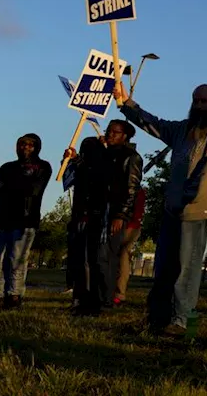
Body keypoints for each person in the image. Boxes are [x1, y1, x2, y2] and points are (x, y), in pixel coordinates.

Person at [115, 82, 207, 335]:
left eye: (204, 101)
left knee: (187, 268)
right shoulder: (184, 129)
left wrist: (190, 199)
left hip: (196, 209)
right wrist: (127, 105)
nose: (199, 105)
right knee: (163, 266)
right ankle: (157, 317)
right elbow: (155, 125)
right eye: (196, 100)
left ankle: (183, 322)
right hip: (174, 207)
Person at [65, 119, 143, 316]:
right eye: (109, 131)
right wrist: (76, 160)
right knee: (92, 257)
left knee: (105, 257)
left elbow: (132, 189)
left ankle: (106, 301)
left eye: (116, 132)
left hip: (114, 212)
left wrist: (121, 215)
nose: (110, 134)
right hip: (97, 210)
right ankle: (91, 301)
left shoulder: (131, 157)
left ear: (125, 136)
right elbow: (92, 176)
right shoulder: (104, 154)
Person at [0, 133, 52, 312]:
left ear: (37, 147)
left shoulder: (42, 167)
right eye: (21, 144)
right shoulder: (7, 167)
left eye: (29, 145)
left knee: (17, 260)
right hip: (3, 219)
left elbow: (33, 189)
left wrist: (4, 185)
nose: (25, 148)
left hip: (25, 220)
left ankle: (14, 296)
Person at [113, 181, 147, 304]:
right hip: (122, 223)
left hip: (130, 225)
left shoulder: (137, 191)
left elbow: (138, 211)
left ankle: (119, 292)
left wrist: (132, 224)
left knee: (123, 255)